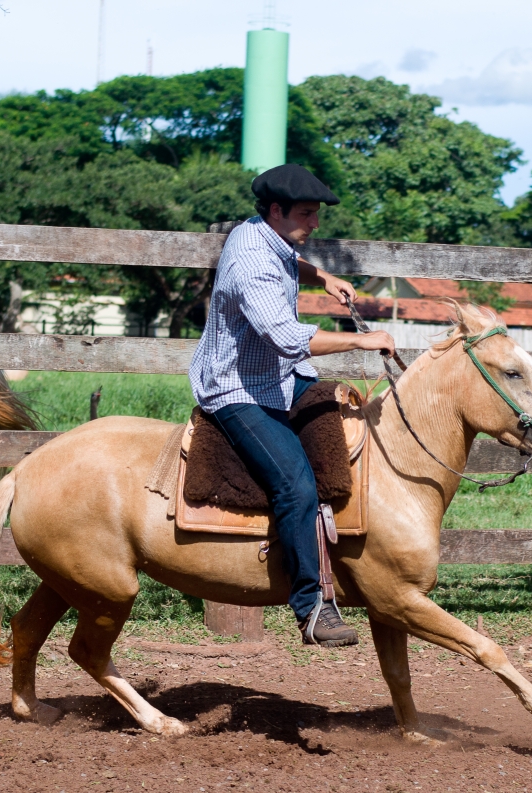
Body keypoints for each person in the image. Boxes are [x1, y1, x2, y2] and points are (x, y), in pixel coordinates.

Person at [189, 163, 396, 647]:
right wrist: (360, 344)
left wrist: (321, 275)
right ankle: (312, 606)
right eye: (307, 214)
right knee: (296, 484)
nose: (316, 224)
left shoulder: (262, 235)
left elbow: (286, 259)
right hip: (238, 388)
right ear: (276, 210)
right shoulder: (251, 262)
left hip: (281, 378)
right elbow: (286, 338)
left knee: (347, 419)